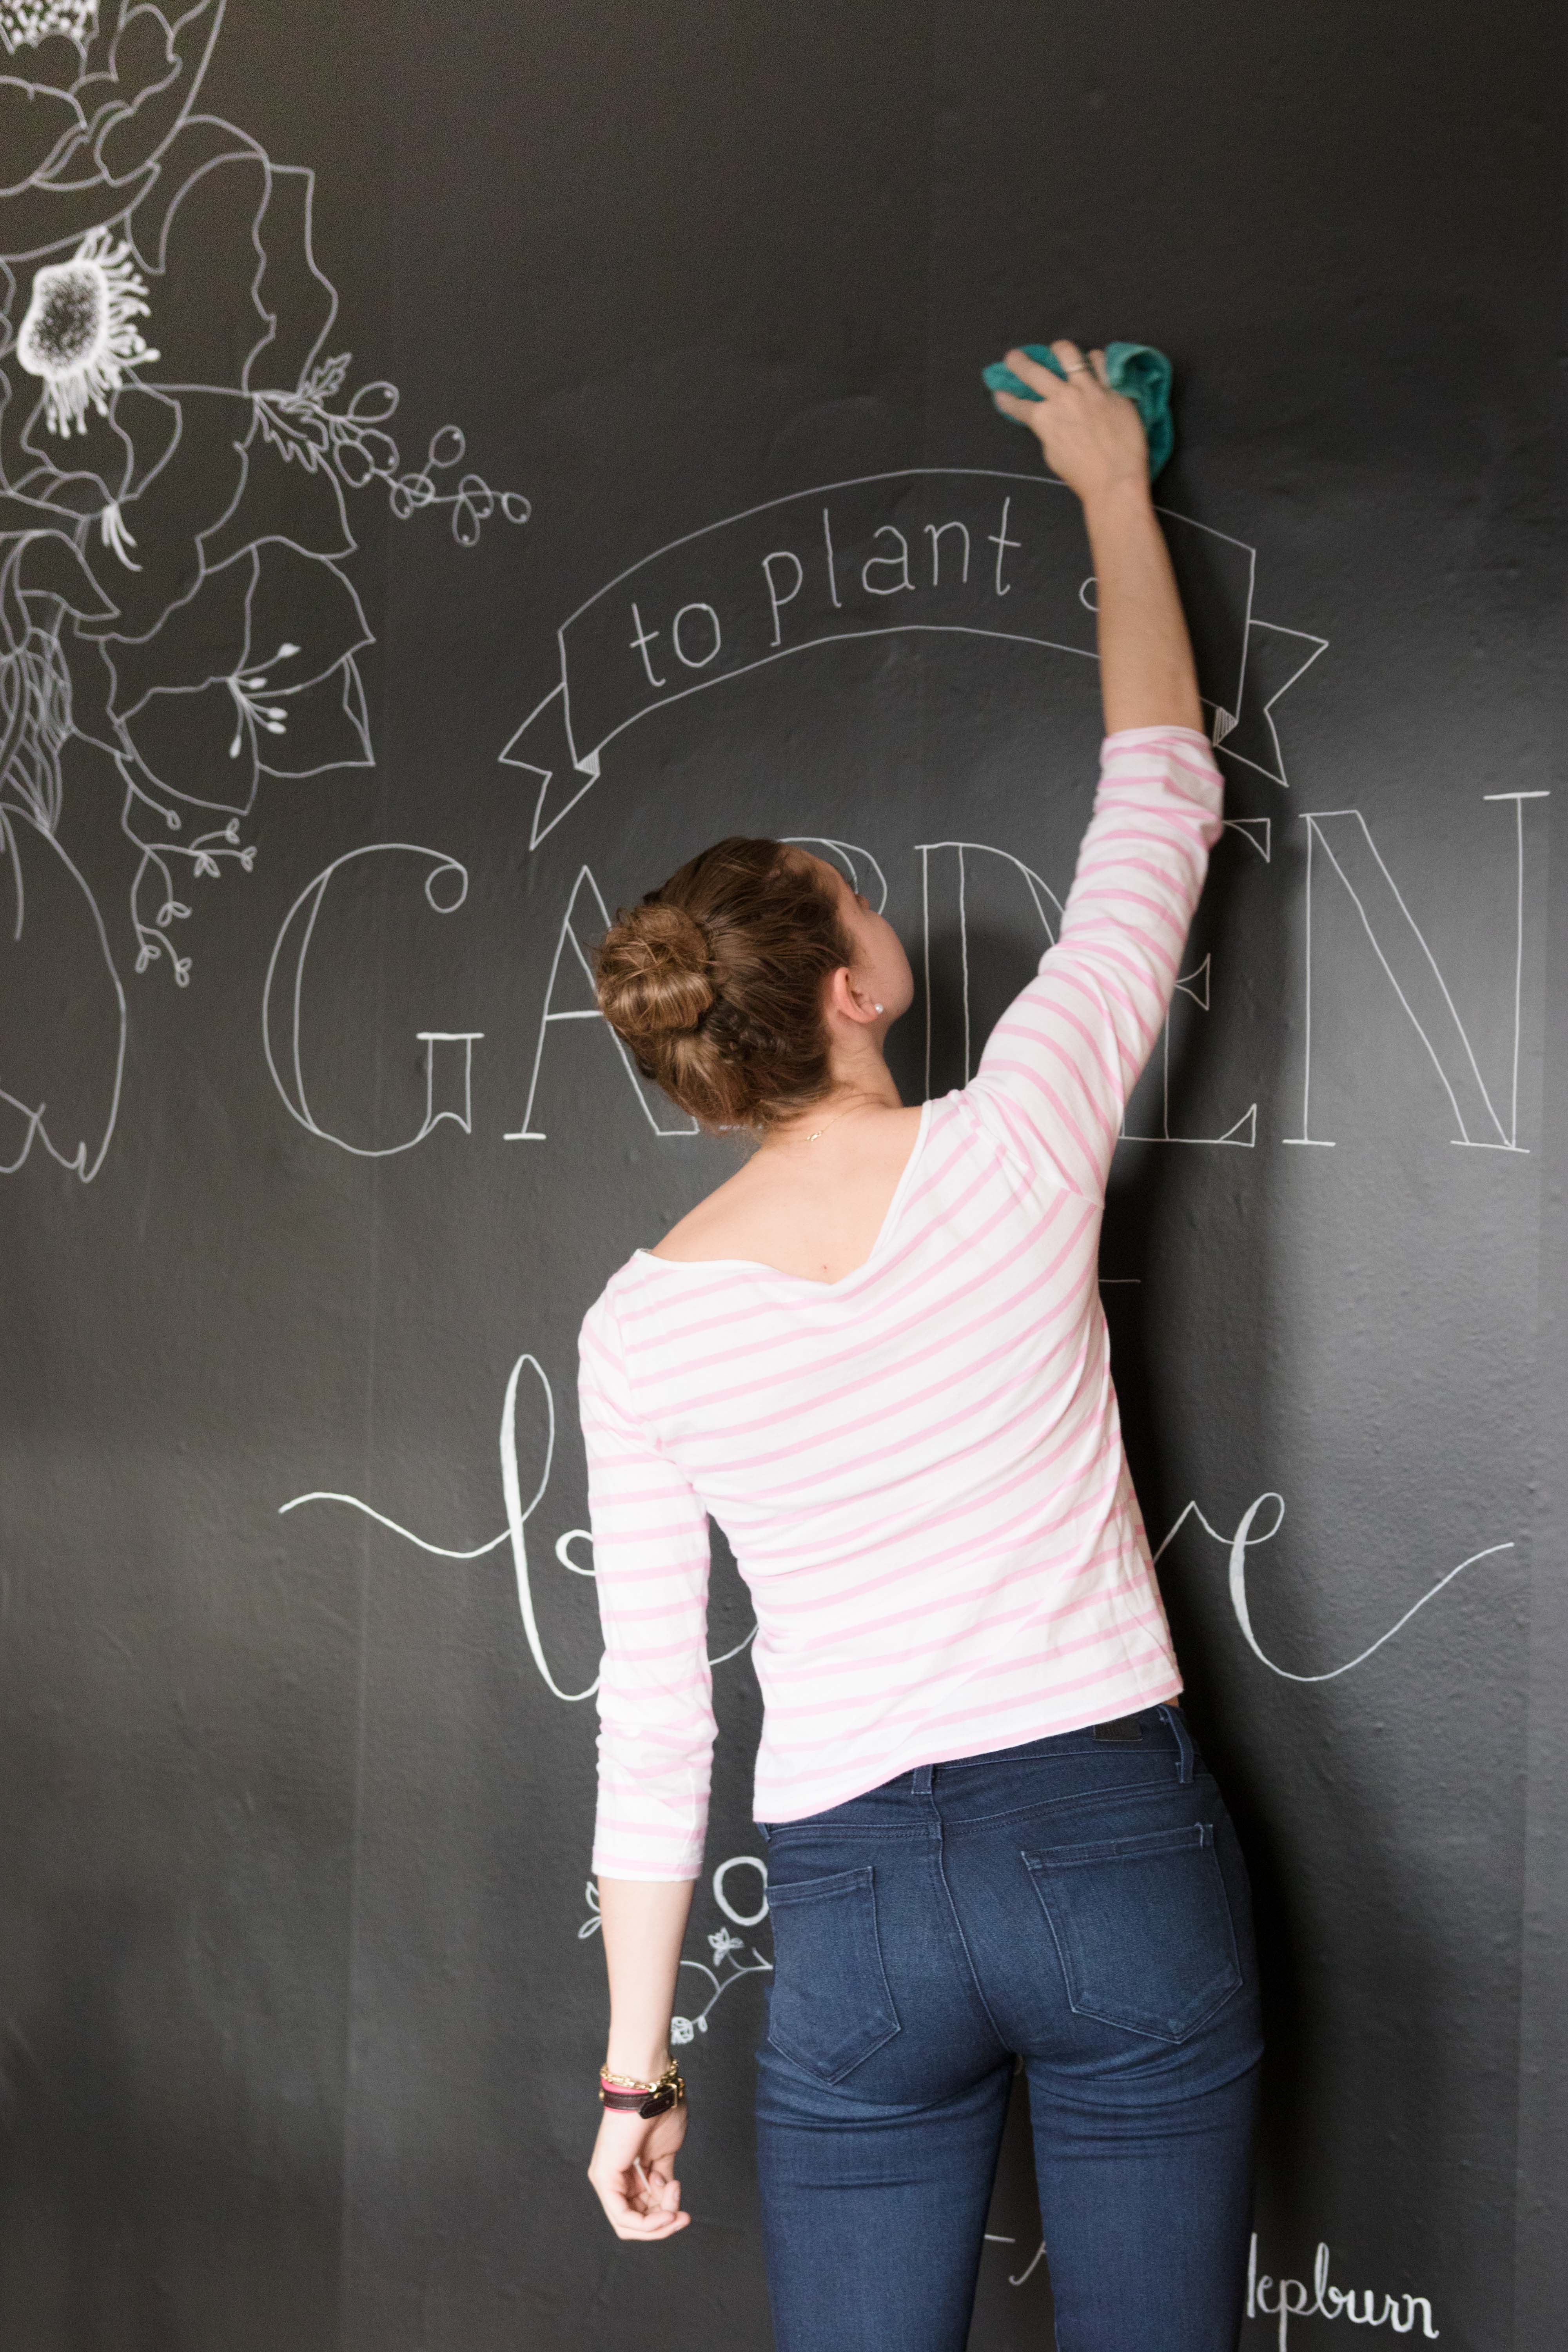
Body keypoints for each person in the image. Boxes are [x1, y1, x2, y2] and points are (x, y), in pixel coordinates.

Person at [578, 341, 1264, 2352]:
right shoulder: (1014, 1138)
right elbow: (1160, 801)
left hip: (856, 1909)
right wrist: (1112, 486)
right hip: (1108, 1846)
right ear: (862, 983)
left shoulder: (641, 1328)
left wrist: (636, 2071)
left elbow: (651, 1725)